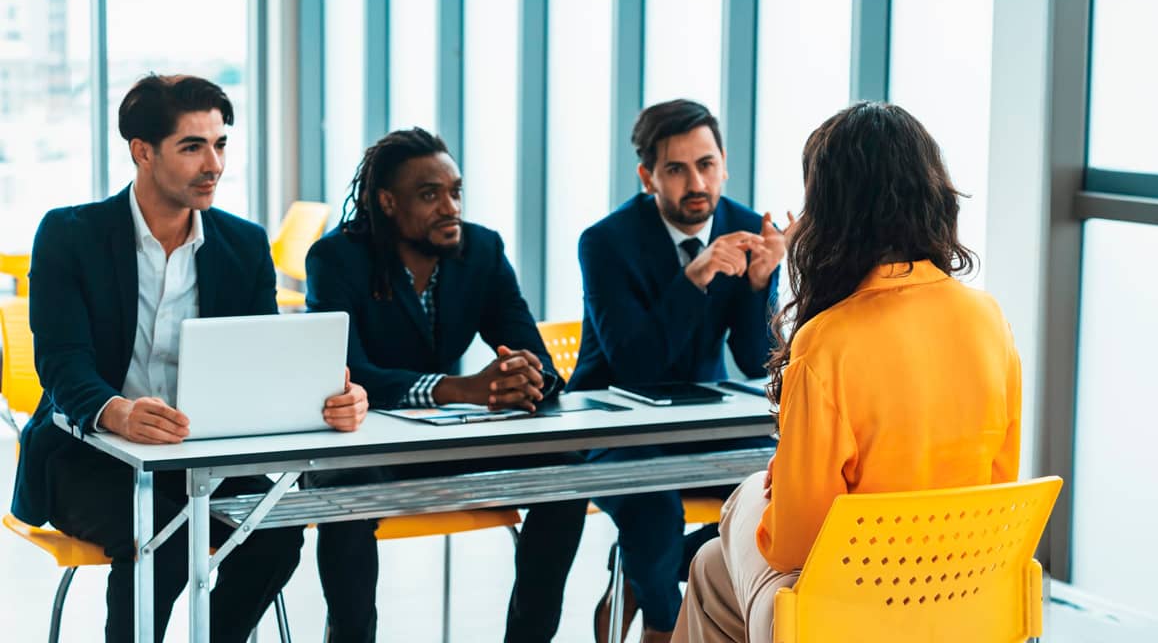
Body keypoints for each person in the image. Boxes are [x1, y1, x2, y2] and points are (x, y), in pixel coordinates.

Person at [9, 74, 370, 642]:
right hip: (87, 458)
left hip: (202, 459)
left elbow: (262, 363)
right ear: (142, 151)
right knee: (163, 537)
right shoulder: (70, 235)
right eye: (193, 147)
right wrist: (118, 412)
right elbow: (61, 363)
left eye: (220, 144)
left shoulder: (242, 244)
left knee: (276, 532)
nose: (214, 165)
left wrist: (331, 396)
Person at [671, 102, 1022, 642]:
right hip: (964, 599)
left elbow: (794, 545)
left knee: (745, 497)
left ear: (831, 212)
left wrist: (779, 487)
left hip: (850, 613)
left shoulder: (827, 342)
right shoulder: (989, 319)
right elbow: (998, 482)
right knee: (709, 569)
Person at [304, 127, 588, 643]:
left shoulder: (482, 250)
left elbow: (537, 357)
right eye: (430, 195)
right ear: (388, 202)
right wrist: (456, 389)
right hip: (367, 444)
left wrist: (527, 378)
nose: (450, 207)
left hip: (449, 440)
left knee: (565, 474)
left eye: (455, 192)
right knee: (346, 491)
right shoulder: (336, 258)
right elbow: (348, 371)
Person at [568, 99, 792, 643]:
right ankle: (662, 626)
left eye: (706, 164)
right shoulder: (605, 242)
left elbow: (751, 359)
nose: (696, 183)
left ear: (724, 164)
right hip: (611, 424)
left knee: (775, 484)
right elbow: (634, 364)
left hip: (699, 423)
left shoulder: (745, 227)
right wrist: (693, 278)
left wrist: (761, 285)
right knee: (653, 507)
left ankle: (641, 577)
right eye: (676, 169)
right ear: (648, 177)